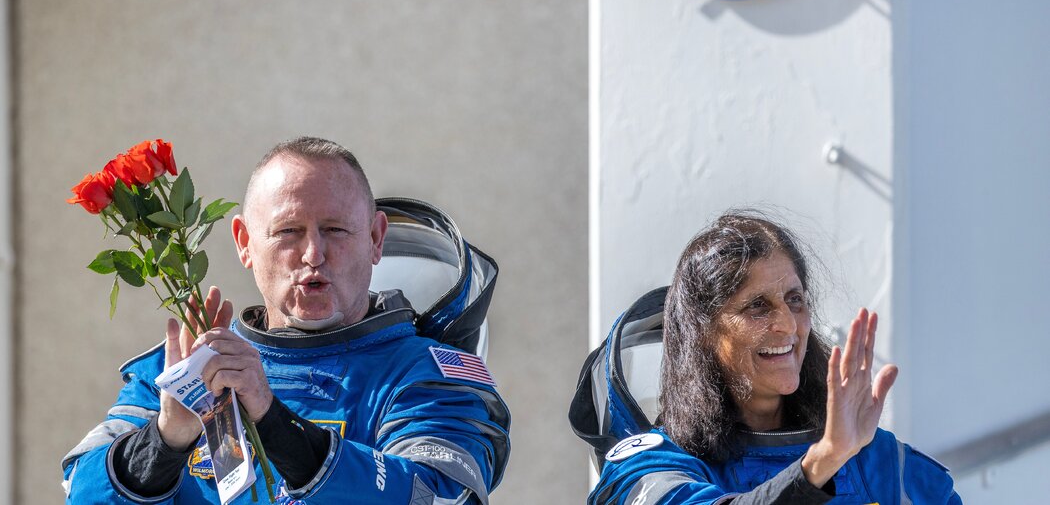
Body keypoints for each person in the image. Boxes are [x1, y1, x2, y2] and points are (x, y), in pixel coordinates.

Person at [62, 137, 511, 504]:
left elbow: (436, 496)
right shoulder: (180, 365)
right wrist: (166, 440)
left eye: (335, 230)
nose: (313, 254)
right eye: (287, 232)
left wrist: (272, 419)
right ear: (244, 243)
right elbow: (82, 493)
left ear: (376, 238)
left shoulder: (429, 376)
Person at [589, 212, 960, 504]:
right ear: (703, 333)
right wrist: (823, 462)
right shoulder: (648, 469)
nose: (787, 325)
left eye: (794, 300)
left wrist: (833, 454)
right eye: (757, 306)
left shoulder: (880, 463)